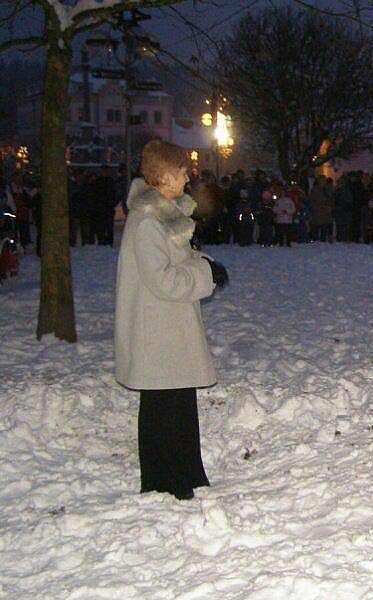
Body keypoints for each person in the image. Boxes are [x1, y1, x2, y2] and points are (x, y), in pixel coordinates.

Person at [114, 140, 228, 501]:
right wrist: (204, 275)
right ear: (163, 176)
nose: (187, 177)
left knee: (177, 403)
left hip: (166, 329)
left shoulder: (164, 215)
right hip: (156, 332)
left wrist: (204, 264)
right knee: (164, 407)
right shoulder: (147, 222)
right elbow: (163, 280)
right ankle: (165, 481)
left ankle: (185, 475)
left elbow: (177, 262)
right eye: (181, 171)